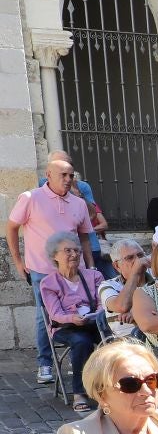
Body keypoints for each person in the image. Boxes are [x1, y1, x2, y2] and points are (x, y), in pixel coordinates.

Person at [11, 155, 96, 384]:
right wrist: (18, 262)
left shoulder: (78, 203)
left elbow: (85, 237)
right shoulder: (30, 197)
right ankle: (45, 363)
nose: (68, 180)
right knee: (45, 316)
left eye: (71, 175)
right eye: (63, 175)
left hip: (73, 268)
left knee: (85, 309)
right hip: (41, 269)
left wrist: (90, 266)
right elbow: (11, 227)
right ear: (48, 175)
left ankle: (86, 360)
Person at [37, 231, 105, 412]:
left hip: (93, 322)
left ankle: (114, 385)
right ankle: (79, 393)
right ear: (55, 256)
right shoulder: (48, 283)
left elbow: (102, 303)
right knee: (81, 341)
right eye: (68, 251)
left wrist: (95, 314)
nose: (74, 254)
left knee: (112, 340)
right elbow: (55, 314)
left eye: (77, 250)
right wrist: (72, 318)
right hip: (65, 327)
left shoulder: (94, 277)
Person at [100, 238, 149, 341]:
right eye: (130, 258)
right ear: (116, 266)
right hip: (128, 343)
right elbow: (122, 306)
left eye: (140, 255)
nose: (137, 261)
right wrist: (135, 273)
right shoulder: (108, 285)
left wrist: (136, 314)